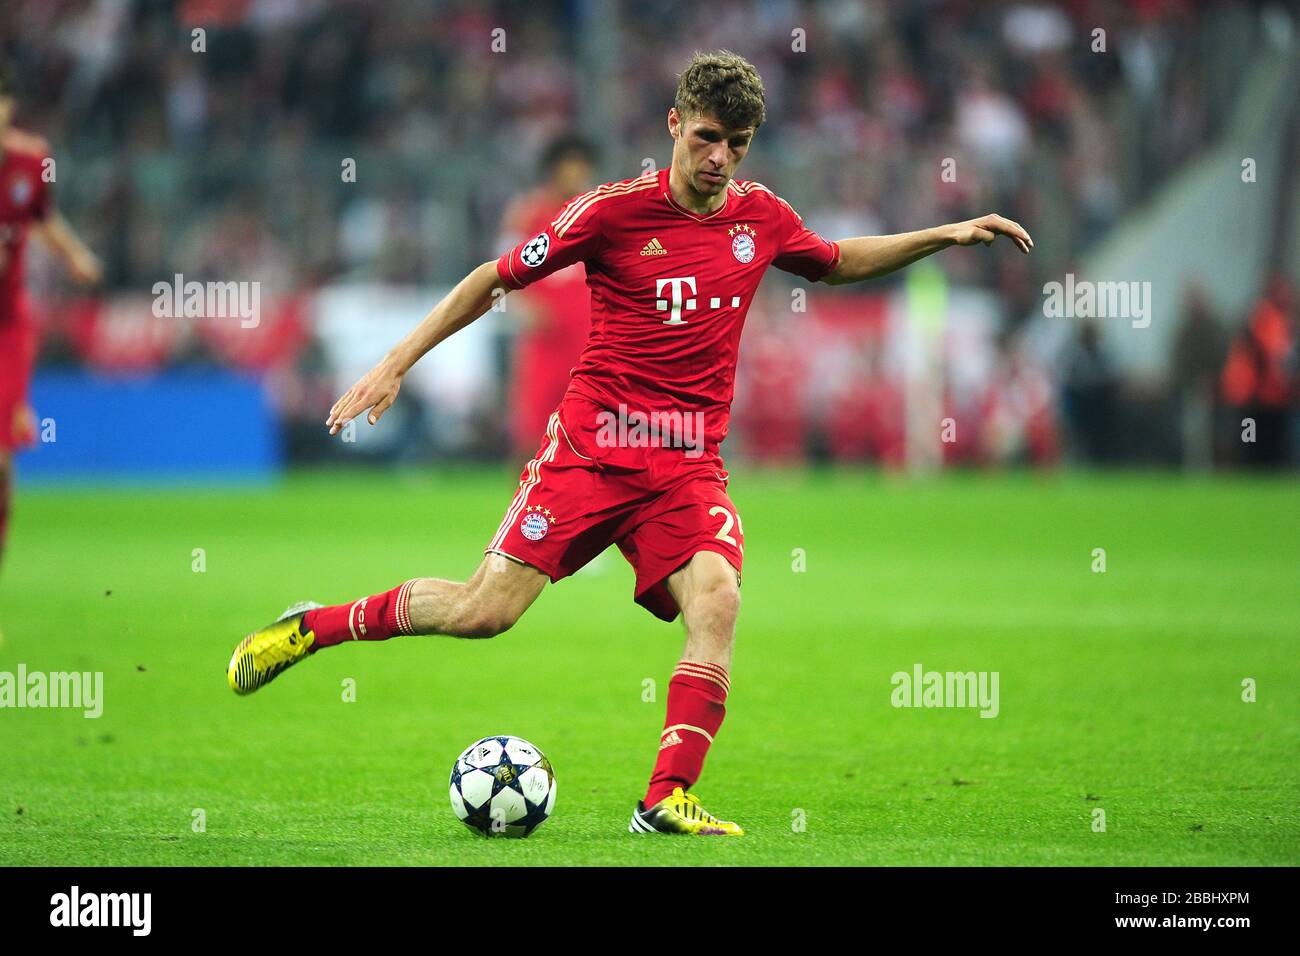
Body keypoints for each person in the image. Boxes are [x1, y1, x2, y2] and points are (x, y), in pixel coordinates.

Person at [227, 50, 1032, 836]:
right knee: (483, 613)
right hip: (591, 452)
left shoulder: (761, 218)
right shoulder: (609, 213)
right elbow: (491, 279)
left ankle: (666, 797)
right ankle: (313, 625)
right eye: (707, 138)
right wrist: (393, 364)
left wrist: (946, 233)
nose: (720, 159)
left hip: (686, 467)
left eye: (737, 145)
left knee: (717, 599)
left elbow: (836, 261)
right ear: (675, 124)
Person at [0, 63, 102, 599]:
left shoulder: (31, 161)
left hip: (8, 326)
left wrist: (75, 255)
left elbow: (41, 220)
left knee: (0, 460)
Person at [498, 133, 599, 460]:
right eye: (570, 167)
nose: (577, 176)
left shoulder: (597, 214)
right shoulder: (528, 215)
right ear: (554, 170)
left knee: (589, 437)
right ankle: (524, 493)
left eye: (582, 168)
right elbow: (498, 275)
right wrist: (520, 306)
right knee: (531, 437)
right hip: (543, 345)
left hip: (589, 343)